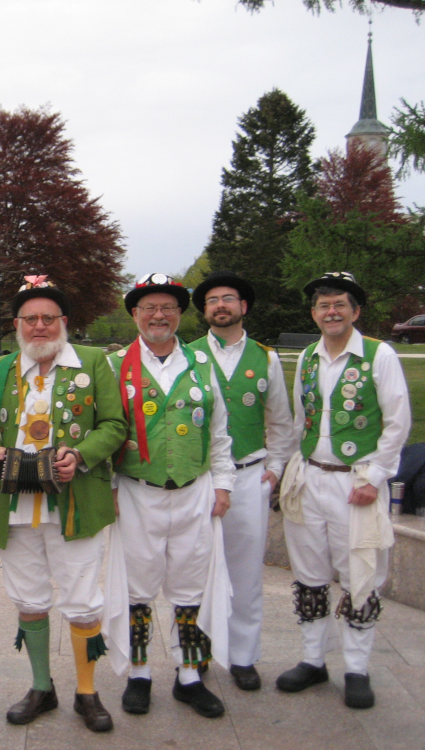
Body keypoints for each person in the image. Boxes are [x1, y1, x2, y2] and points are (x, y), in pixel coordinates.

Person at [0, 275, 127, 733]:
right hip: (15, 504)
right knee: (29, 600)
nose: (39, 326)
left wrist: (80, 455)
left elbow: (115, 424)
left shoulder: (94, 360)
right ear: (17, 325)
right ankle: (42, 687)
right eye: (30, 319)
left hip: (75, 501)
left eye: (48, 318)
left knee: (82, 601)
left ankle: (87, 691)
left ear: (63, 322)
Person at [276, 271, 410, 709]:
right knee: (310, 574)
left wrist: (373, 478)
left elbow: (397, 422)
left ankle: (357, 668)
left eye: (339, 305)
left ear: (356, 310)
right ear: (314, 314)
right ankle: (314, 661)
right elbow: (301, 420)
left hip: (356, 484)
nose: (331, 312)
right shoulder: (310, 357)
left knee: (360, 574)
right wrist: (292, 469)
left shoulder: (379, 355)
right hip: (311, 476)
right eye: (323, 306)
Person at [108, 273, 234, 719]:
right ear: (135, 314)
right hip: (137, 493)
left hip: (193, 493)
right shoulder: (115, 367)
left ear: (180, 314)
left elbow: (219, 433)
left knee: (191, 586)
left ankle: (189, 675)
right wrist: (109, 490)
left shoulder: (203, 365)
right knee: (137, 587)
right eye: (148, 308)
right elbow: (104, 434)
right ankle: (139, 673)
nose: (157, 316)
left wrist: (223, 484)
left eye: (167, 308)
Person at [190, 270, 295, 690]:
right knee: (195, 571)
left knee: (247, 574)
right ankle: (194, 654)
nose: (220, 306)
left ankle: (243, 657)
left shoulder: (266, 358)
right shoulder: (189, 354)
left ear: (243, 306)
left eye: (228, 299)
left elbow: (283, 422)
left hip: (251, 477)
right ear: (204, 311)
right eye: (212, 300)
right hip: (200, 480)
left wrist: (275, 470)